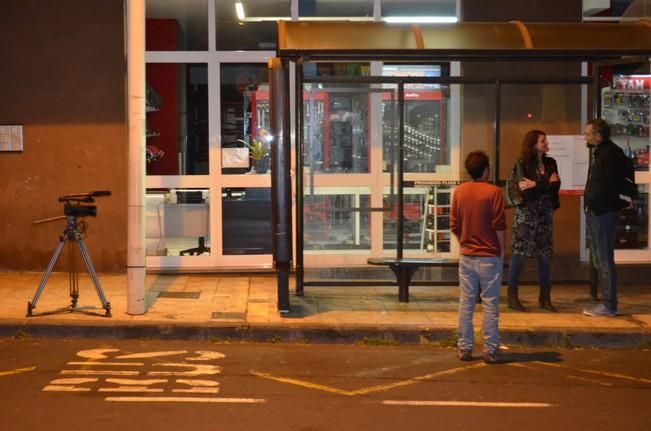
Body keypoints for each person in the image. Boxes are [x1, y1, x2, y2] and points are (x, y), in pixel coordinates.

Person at [451, 151, 506, 364]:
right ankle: (491, 349)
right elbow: (499, 225)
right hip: (489, 256)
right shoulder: (493, 192)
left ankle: (464, 347)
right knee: (490, 304)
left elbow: (455, 225)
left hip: (467, 255)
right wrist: (500, 251)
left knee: (466, 303)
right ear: (486, 169)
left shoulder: (460, 192)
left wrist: (464, 242)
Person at [507, 130, 561, 312]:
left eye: (546, 140)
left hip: (545, 214)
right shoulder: (522, 163)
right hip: (526, 214)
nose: (546, 143)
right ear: (533, 145)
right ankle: (512, 296)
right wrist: (546, 183)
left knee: (545, 255)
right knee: (519, 253)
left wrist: (537, 184)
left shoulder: (551, 162)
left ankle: (545, 298)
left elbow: (556, 186)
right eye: (542, 141)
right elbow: (525, 191)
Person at [583, 119, 627, 317]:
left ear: (598, 136)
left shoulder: (607, 155)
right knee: (601, 258)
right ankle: (608, 303)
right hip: (601, 212)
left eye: (588, 134)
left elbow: (608, 185)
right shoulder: (604, 152)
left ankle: (609, 305)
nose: (585, 137)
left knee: (603, 259)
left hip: (602, 214)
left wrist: (596, 206)